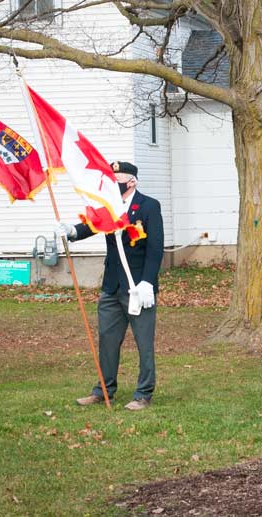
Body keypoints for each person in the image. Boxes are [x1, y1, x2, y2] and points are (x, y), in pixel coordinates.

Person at [57, 161, 164, 411]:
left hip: (138, 287)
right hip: (112, 285)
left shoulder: (148, 206)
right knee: (107, 340)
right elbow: (92, 225)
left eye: (118, 179)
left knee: (144, 343)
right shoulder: (109, 206)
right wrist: (72, 231)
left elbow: (155, 248)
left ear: (132, 182)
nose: (113, 184)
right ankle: (103, 390)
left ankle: (143, 394)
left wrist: (148, 282)